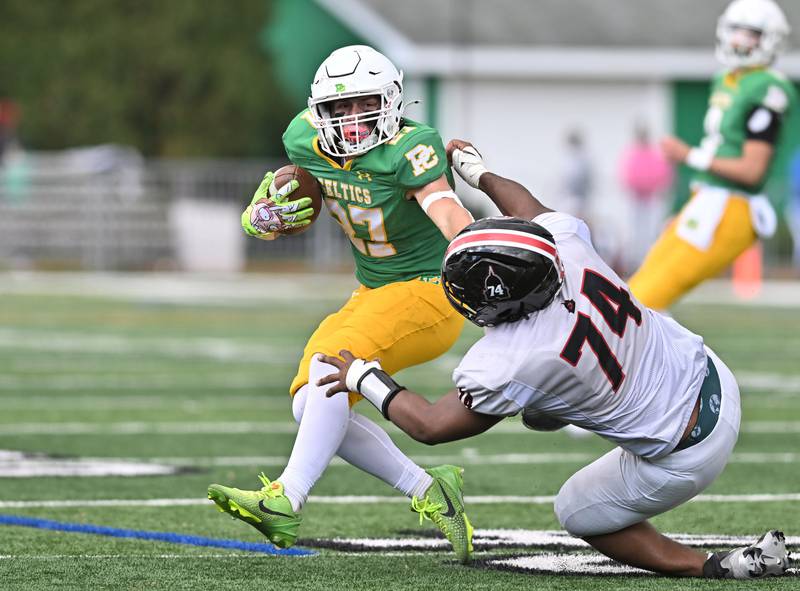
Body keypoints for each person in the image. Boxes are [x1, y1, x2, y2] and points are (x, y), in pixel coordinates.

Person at [316, 139, 791, 579]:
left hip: (687, 451)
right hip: (712, 377)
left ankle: (710, 568)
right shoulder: (567, 246)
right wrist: (475, 170)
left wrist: (363, 374)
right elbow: (524, 205)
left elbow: (431, 426)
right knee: (543, 402)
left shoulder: (511, 357)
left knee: (575, 508)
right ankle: (561, 401)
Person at [206, 45, 475, 562]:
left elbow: (444, 206)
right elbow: (304, 200)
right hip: (374, 290)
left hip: (431, 288)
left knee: (332, 358)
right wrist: (267, 214)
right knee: (311, 398)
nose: (353, 119)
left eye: (365, 103)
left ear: (391, 101)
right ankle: (429, 489)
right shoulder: (304, 137)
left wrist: (473, 245)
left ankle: (285, 498)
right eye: (342, 107)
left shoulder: (411, 147)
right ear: (320, 110)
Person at [628, 0, 797, 310]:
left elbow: (752, 170)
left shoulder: (767, 88)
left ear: (770, 39)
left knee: (645, 299)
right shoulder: (727, 80)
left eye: (751, 34)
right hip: (708, 200)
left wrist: (690, 156)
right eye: (735, 31)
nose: (739, 40)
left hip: (732, 205)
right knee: (635, 291)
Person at [618, 123, 672, 272]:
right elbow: (626, 175)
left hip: (651, 198)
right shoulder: (631, 153)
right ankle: (633, 262)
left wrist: (658, 188)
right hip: (635, 198)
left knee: (650, 231)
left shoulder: (654, 153)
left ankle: (649, 260)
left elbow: (663, 173)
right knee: (634, 232)